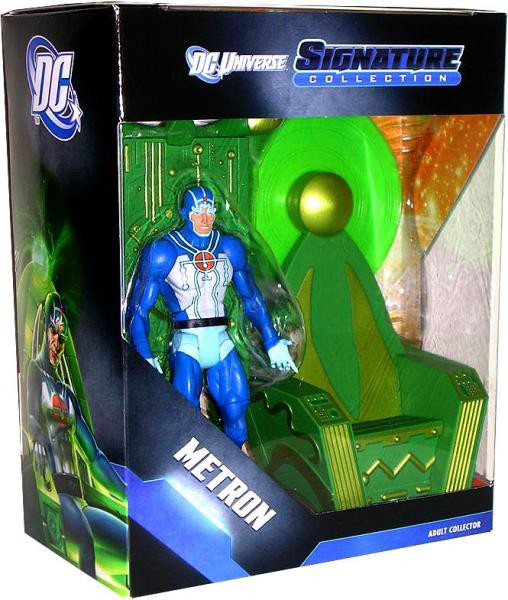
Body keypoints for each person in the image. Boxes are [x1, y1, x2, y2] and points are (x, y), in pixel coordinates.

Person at [127, 185, 297, 448]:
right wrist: (144, 354)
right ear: (186, 213)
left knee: (237, 411)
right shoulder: (163, 251)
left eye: (210, 210)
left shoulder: (229, 247)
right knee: (187, 418)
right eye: (198, 211)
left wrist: (272, 340)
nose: (205, 218)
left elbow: (251, 298)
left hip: (221, 340)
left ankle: (238, 464)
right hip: (188, 342)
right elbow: (138, 310)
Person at [27, 292, 126, 577]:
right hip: (54, 491)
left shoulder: (68, 395)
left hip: (79, 497)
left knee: (127, 546)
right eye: (53, 331)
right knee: (85, 545)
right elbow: (30, 417)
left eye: (63, 334)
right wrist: (37, 438)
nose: (58, 342)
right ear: (44, 328)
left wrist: (128, 495)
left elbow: (94, 458)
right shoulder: (34, 373)